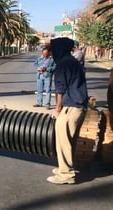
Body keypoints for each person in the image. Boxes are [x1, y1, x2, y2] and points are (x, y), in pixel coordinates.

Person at [47, 37, 88, 185]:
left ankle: (66, 174)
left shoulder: (63, 64)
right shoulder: (72, 61)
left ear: (59, 49)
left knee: (63, 140)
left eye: (52, 49)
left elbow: (60, 89)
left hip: (71, 107)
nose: (51, 52)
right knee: (70, 140)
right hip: (79, 106)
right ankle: (64, 167)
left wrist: (58, 110)